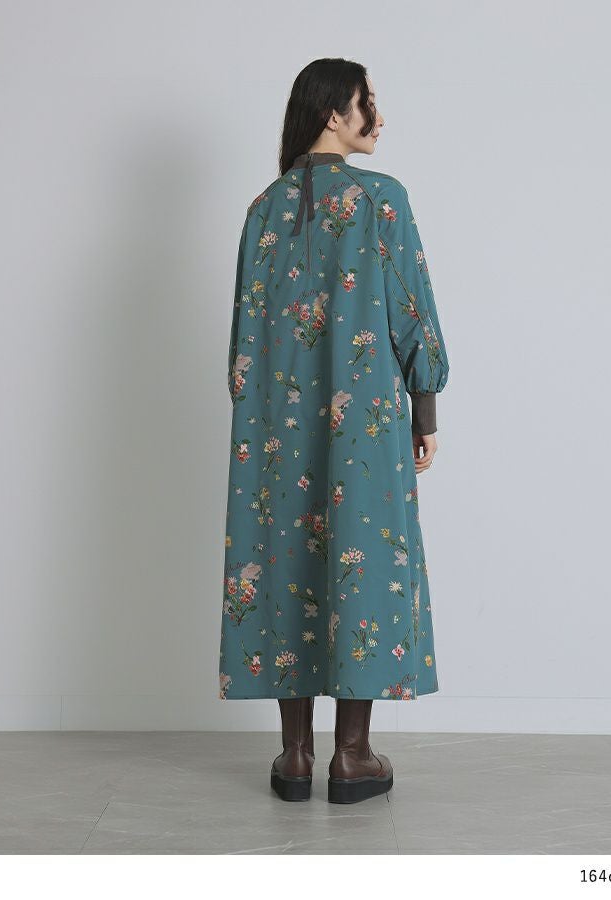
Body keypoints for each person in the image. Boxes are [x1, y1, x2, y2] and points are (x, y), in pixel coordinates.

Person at [219, 58, 450, 804]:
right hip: (365, 421)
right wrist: (424, 409)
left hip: (271, 426)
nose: (377, 117)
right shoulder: (381, 199)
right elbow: (412, 310)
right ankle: (351, 758)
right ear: (332, 112)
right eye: (366, 103)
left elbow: (242, 341)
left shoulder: (263, 208)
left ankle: (294, 757)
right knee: (364, 562)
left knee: (284, 561)